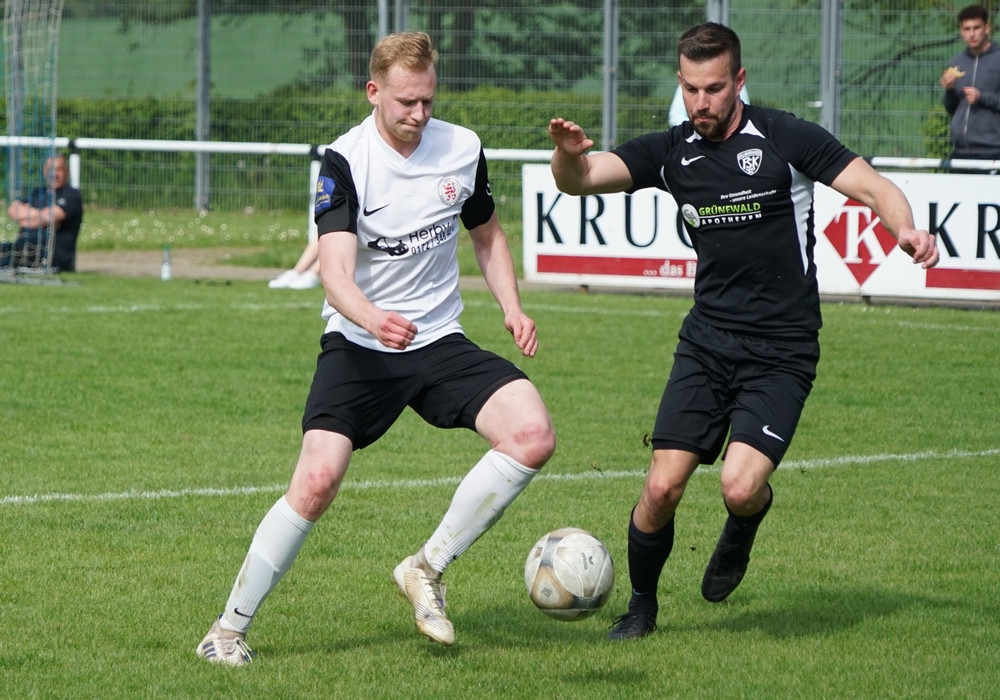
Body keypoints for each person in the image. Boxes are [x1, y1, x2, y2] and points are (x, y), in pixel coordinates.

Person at [548, 22, 939, 641]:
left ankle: (745, 522)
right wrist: (567, 154)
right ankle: (641, 609)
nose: (701, 102)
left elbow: (874, 187)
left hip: (782, 351)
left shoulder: (785, 137)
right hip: (707, 344)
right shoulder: (671, 151)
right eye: (690, 89)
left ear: (739, 81)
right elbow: (579, 180)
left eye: (714, 89)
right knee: (661, 486)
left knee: (739, 487)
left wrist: (905, 228)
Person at [196, 31, 555, 664]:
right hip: (360, 343)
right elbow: (334, 272)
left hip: (438, 339)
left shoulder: (462, 148)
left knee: (532, 434)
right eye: (405, 102)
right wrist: (373, 318)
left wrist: (512, 307)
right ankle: (226, 631)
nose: (419, 114)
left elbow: (488, 235)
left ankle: (426, 567)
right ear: (373, 92)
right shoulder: (345, 161)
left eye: (428, 100)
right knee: (316, 479)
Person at [940, 5, 1000, 165]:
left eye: (976, 28)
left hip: (993, 152)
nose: (971, 34)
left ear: (987, 28)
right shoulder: (957, 62)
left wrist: (982, 97)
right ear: (961, 31)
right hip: (961, 151)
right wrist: (950, 90)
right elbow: (952, 108)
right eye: (967, 29)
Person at [3, 154, 84, 272]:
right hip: (22, 248)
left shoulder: (72, 195)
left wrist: (27, 216)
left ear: (67, 171)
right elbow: (12, 210)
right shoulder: (37, 193)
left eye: (59, 169)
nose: (54, 174)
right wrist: (41, 215)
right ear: (44, 171)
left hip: (49, 257)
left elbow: (51, 217)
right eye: (50, 169)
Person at [668, 82, 748, 128]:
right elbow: (675, 117)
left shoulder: (734, 83)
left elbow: (743, 116)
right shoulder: (689, 82)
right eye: (692, 90)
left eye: (715, 89)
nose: (701, 105)